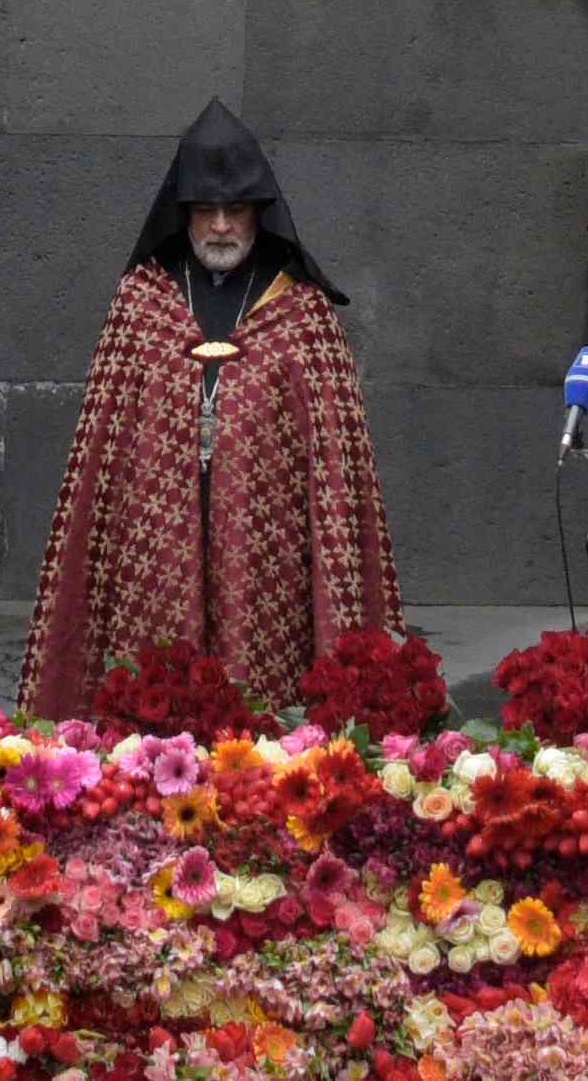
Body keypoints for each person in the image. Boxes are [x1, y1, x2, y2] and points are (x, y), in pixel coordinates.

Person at [24, 105, 403, 719]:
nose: (221, 226)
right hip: (154, 542)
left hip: (267, 549)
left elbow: (336, 472)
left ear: (260, 210)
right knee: (153, 690)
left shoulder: (303, 312)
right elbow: (103, 453)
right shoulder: (141, 301)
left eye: (236, 209)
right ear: (183, 211)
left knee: (262, 707)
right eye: (205, 209)